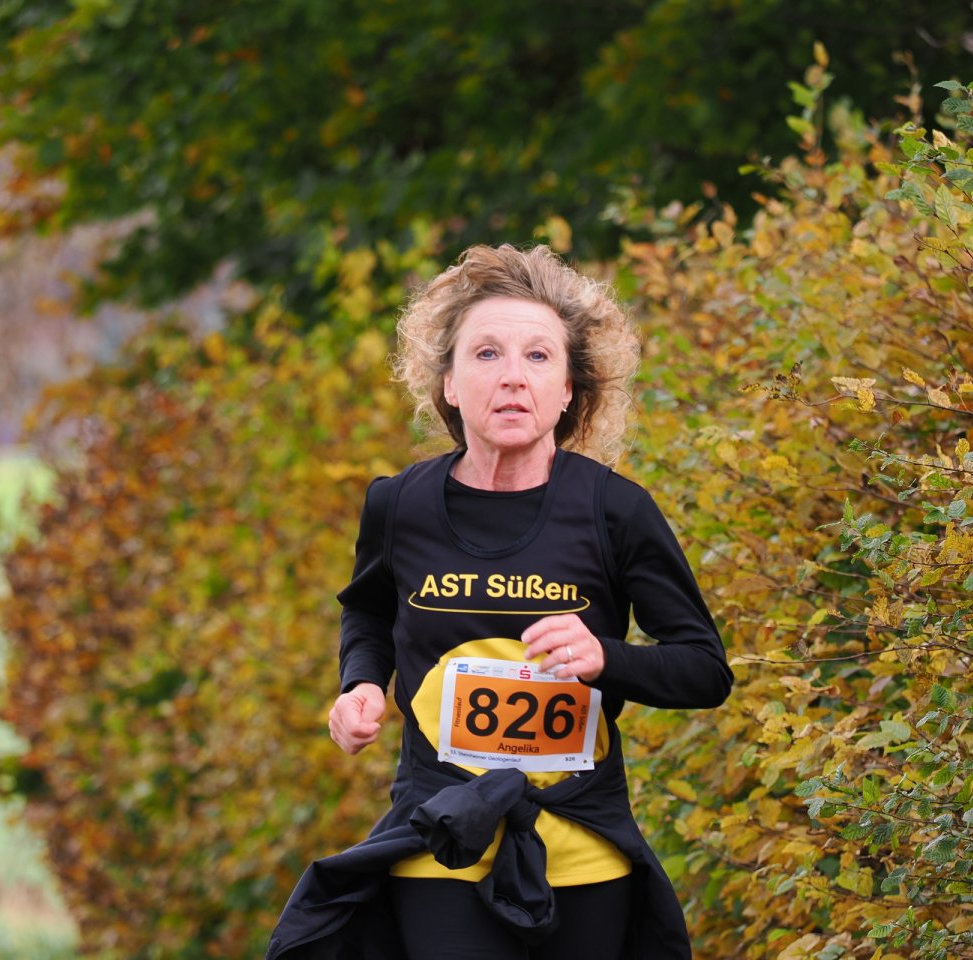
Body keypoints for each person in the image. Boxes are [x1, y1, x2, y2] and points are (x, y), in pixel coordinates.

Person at [267, 244, 732, 960]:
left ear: (569, 388)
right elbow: (369, 610)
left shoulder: (616, 511)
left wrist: (604, 658)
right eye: (486, 354)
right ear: (448, 384)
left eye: (538, 356)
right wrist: (361, 684)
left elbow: (705, 670)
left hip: (582, 850)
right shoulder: (399, 506)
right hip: (442, 839)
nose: (513, 376)